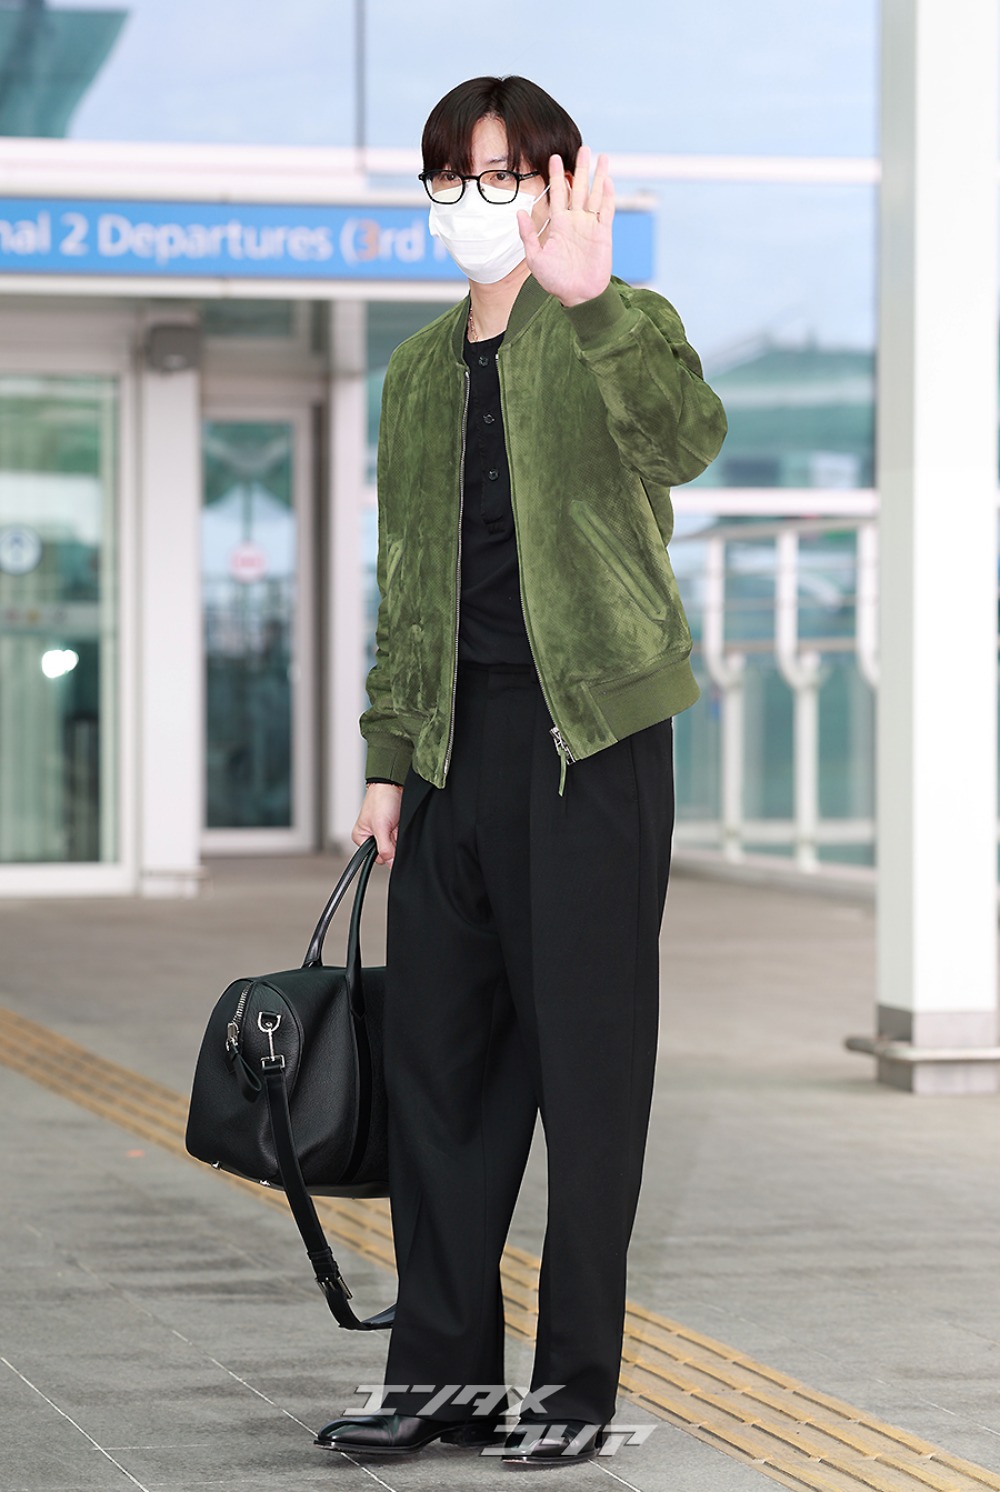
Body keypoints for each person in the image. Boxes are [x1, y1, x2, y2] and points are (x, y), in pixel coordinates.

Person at [316, 75, 727, 1470]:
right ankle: (440, 1377)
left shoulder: (617, 322)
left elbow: (687, 441)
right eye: (450, 178)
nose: (469, 203)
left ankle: (574, 1387)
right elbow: (405, 582)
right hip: (453, 754)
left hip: (590, 748)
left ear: (553, 185)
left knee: (588, 1079)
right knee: (439, 1074)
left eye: (497, 177)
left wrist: (596, 299)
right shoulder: (416, 371)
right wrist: (388, 760)